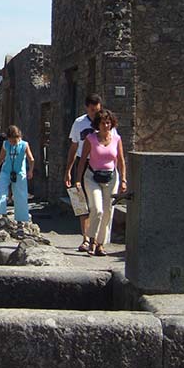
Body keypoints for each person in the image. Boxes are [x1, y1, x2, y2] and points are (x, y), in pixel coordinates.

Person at [63, 94, 115, 252]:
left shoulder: (105, 123)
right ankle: (85, 238)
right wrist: (68, 170)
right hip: (82, 162)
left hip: (101, 165)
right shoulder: (79, 123)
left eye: (97, 110)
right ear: (87, 108)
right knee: (80, 200)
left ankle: (96, 239)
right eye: (92, 111)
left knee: (99, 206)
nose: (95, 114)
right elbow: (73, 146)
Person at [74, 108, 126, 257]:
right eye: (103, 123)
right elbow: (83, 160)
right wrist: (78, 180)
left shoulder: (117, 139)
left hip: (111, 177)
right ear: (98, 124)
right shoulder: (91, 139)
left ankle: (101, 244)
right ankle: (92, 240)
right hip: (92, 177)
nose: (106, 126)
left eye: (108, 123)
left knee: (108, 211)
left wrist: (123, 179)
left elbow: (121, 161)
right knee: (97, 209)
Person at [0, 124, 34, 224]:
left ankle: (20, 219)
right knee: (0, 191)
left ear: (19, 137)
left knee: (20, 196)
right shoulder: (5, 144)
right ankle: (3, 214)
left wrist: (30, 170)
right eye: (11, 141)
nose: (13, 143)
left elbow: (31, 159)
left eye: (15, 141)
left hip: (19, 173)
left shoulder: (24, 145)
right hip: (6, 171)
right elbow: (0, 159)